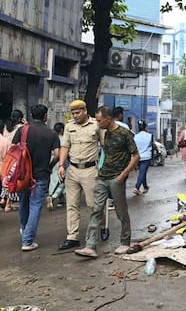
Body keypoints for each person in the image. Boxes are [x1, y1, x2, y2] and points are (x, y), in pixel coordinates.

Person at [75, 105, 139, 258]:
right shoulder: (105, 133)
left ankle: (125, 242)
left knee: (121, 211)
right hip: (102, 177)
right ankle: (90, 246)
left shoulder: (124, 134)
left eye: (99, 121)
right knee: (96, 210)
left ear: (108, 119)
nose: (97, 124)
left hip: (116, 179)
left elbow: (136, 156)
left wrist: (122, 176)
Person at [57, 100, 105, 251]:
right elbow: (65, 146)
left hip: (90, 170)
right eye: (73, 113)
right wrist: (60, 165)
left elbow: (105, 145)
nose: (75, 116)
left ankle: (101, 227)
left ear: (85, 110)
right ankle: (72, 237)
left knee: (93, 204)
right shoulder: (69, 126)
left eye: (78, 112)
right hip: (72, 169)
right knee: (72, 205)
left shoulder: (96, 125)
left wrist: (105, 167)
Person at [14, 104, 60, 251]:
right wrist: (50, 166)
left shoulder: (22, 130)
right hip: (41, 175)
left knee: (23, 203)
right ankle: (27, 241)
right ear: (45, 116)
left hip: (22, 174)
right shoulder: (51, 133)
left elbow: (12, 150)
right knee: (35, 206)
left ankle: (25, 229)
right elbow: (58, 155)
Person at [0, 109, 25, 211]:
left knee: (5, 177)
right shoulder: (20, 127)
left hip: (6, 154)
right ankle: (8, 204)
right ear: (20, 118)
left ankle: (2, 198)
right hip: (15, 154)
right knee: (12, 177)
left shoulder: (6, 126)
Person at [48, 123, 67, 209]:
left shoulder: (51, 138)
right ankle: (52, 197)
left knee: (54, 180)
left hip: (52, 160)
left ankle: (61, 200)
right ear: (62, 130)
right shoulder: (63, 139)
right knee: (61, 181)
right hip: (60, 162)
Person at [133, 120, 153, 195]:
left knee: (142, 171)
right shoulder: (149, 136)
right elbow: (152, 146)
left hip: (138, 157)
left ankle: (145, 186)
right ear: (145, 127)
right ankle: (137, 187)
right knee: (142, 172)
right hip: (147, 157)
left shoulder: (135, 136)